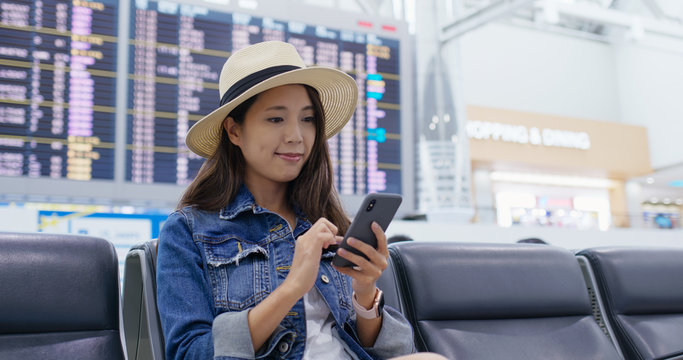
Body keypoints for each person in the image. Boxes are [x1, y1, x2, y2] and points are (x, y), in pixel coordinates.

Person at [156, 41, 445, 360]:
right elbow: (188, 353)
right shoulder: (187, 231)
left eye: (307, 119)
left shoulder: (328, 222)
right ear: (234, 131)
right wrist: (292, 287)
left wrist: (365, 294)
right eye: (276, 119)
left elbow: (393, 352)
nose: (296, 135)